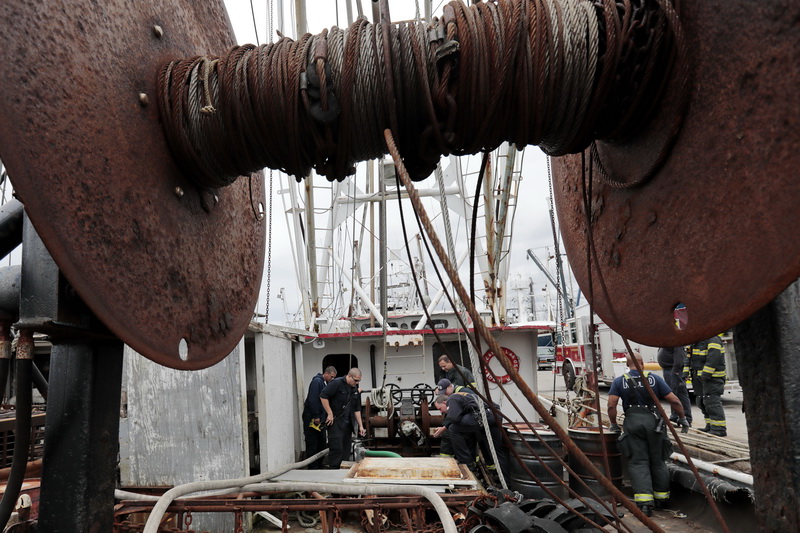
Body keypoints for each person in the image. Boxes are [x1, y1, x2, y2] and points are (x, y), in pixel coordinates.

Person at [607, 352, 689, 516]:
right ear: (642, 363)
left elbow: (611, 405)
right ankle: (662, 499)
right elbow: (675, 401)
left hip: (632, 424)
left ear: (627, 364)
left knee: (638, 462)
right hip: (654, 425)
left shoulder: (619, 381)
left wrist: (614, 424)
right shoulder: (654, 379)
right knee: (658, 461)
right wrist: (682, 418)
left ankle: (645, 505)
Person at [432, 391, 509, 478]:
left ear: (444, 402)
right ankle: (506, 481)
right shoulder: (464, 395)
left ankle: (466, 463)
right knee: (497, 451)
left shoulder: (452, 399)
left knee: (453, 429)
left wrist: (445, 427)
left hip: (484, 415)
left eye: (440, 409)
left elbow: (454, 418)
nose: (441, 412)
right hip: (495, 415)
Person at [320, 368, 366, 469]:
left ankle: (344, 471)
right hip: (336, 422)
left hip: (348, 424)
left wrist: (361, 426)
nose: (357, 382)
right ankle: (333, 471)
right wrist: (329, 413)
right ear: (349, 376)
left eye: (359, 381)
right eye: (355, 380)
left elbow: (357, 409)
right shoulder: (336, 383)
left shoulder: (354, 389)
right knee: (336, 449)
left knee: (346, 450)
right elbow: (323, 396)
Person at [684, 335, 727, 436]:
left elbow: (714, 358)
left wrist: (705, 374)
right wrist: (686, 372)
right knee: (702, 402)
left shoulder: (713, 339)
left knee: (712, 402)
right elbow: (688, 357)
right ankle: (710, 425)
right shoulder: (696, 341)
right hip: (699, 379)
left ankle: (719, 429)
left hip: (713, 378)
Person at [302, 366, 337, 469]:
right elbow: (313, 400)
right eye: (331, 376)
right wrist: (316, 416)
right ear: (326, 374)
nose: (332, 379)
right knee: (312, 442)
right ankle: (313, 467)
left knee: (321, 442)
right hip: (313, 418)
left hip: (319, 418)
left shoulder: (323, 383)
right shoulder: (317, 382)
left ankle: (319, 464)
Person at [656, 347, 692, 427]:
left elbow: (679, 357)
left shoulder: (675, 342)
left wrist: (676, 371)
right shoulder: (667, 341)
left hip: (673, 370)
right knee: (672, 395)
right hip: (668, 370)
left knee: (680, 394)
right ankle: (675, 417)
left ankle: (686, 418)